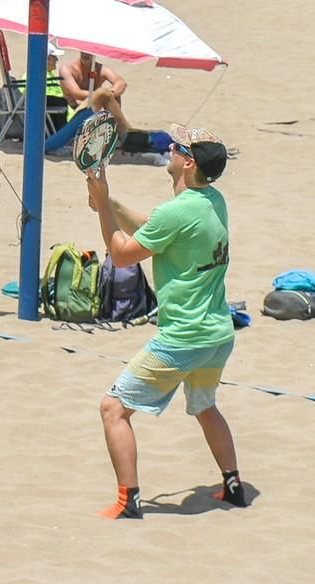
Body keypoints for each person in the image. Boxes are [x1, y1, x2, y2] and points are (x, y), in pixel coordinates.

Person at [84, 123, 244, 519]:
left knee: (113, 409)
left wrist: (104, 207)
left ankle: (128, 501)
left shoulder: (176, 213)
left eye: (176, 146)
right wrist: (111, 202)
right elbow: (156, 228)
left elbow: (122, 255)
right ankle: (234, 486)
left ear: (188, 163)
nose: (169, 147)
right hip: (217, 335)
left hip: (184, 339)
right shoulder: (212, 199)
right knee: (206, 406)